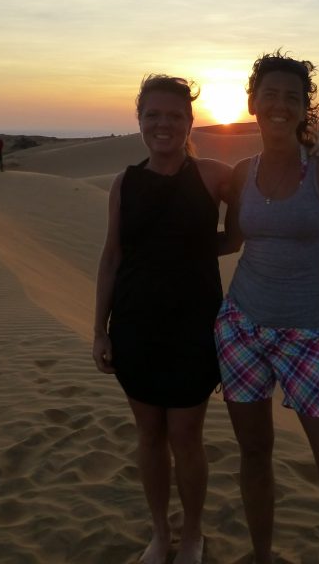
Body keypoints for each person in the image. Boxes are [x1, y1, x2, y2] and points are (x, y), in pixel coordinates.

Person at [215, 51, 319, 563]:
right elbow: (232, 242)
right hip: (241, 330)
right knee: (255, 455)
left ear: (306, 108)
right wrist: (161, 238)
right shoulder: (243, 173)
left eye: (292, 97)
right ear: (252, 102)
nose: (280, 106)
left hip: (309, 339)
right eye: (270, 95)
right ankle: (262, 555)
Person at [94, 75, 232, 564]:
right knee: (149, 434)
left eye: (174, 115)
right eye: (153, 114)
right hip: (135, 325)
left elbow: (239, 233)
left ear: (190, 121)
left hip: (195, 328)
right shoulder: (124, 184)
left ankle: (192, 534)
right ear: (139, 121)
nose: (163, 124)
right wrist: (99, 331)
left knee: (186, 437)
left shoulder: (215, 175)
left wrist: (195, 250)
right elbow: (112, 258)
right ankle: (160, 533)